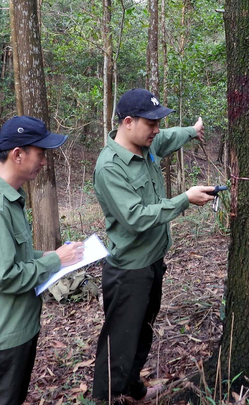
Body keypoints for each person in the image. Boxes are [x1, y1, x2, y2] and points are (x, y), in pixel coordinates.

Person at [92, 88, 216, 403]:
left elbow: (167, 138)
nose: (156, 130)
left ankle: (133, 390)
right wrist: (185, 199)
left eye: (158, 123)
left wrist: (192, 131)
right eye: (151, 123)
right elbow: (135, 217)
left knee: (142, 334)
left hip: (152, 262)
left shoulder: (147, 145)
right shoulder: (110, 167)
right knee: (119, 345)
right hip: (129, 270)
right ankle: (106, 397)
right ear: (129, 122)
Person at [0, 116, 85, 405]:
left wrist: (48, 256)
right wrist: (54, 261)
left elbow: (10, 255)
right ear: (18, 154)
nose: (44, 162)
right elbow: (3, 276)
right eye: (40, 154)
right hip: (3, 333)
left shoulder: (10, 199)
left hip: (18, 326)